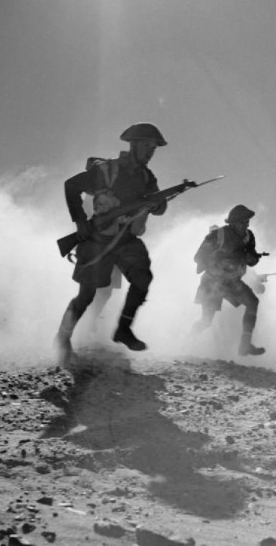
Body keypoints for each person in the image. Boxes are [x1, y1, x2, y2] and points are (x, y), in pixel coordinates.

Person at [54, 122, 168, 368]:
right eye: (146, 146)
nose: (150, 151)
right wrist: (80, 222)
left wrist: (157, 204)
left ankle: (123, 330)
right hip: (98, 237)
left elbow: (160, 207)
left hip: (126, 238)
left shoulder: (147, 177)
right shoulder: (107, 170)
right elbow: (71, 186)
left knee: (142, 279)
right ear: (134, 144)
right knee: (86, 295)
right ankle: (62, 340)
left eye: (153, 148)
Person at [192, 205, 266, 356]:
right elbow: (198, 257)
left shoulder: (248, 237)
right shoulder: (218, 235)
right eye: (243, 221)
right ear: (233, 222)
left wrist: (251, 259)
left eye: (247, 221)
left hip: (232, 282)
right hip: (212, 282)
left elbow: (251, 261)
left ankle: (245, 345)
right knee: (206, 321)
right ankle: (187, 343)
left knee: (253, 302)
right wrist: (220, 262)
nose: (246, 224)